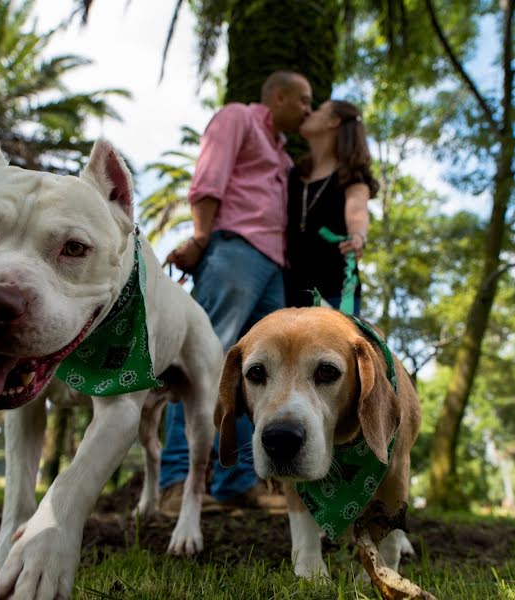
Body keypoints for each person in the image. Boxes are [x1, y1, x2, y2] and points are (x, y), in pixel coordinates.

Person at [159, 71, 313, 514]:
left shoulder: (283, 157)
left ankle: (236, 481)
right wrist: (201, 238)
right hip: (235, 252)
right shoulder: (238, 118)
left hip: (273, 268)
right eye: (302, 101)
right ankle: (174, 482)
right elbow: (210, 176)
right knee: (201, 360)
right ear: (278, 96)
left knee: (257, 374)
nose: (307, 111)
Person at [285, 100, 379, 316]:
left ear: (333, 121)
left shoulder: (353, 177)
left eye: (318, 109)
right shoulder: (294, 174)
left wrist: (358, 236)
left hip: (335, 291)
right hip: (289, 289)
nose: (309, 112)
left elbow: (357, 212)